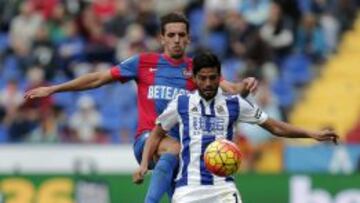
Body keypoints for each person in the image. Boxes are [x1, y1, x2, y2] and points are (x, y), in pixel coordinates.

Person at [24, 12, 258, 202]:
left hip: (182, 153)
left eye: (181, 35)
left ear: (188, 39)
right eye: (171, 34)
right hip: (148, 139)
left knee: (179, 190)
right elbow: (97, 78)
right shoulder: (143, 62)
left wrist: (244, 85)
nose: (176, 39)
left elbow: (231, 90)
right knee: (174, 149)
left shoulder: (197, 71)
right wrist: (54, 89)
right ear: (162, 38)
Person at [133, 51, 338, 202]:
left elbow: (275, 127)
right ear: (194, 79)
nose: (208, 83)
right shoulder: (181, 103)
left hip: (223, 190)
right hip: (188, 191)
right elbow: (156, 134)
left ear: (219, 77)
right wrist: (143, 165)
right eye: (202, 78)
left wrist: (312, 133)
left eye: (213, 78)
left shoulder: (235, 104)